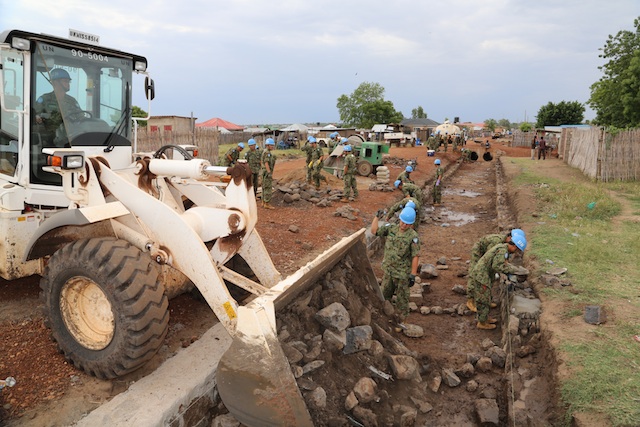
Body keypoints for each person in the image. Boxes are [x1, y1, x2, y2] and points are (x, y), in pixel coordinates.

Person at [469, 234, 528, 330]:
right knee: (483, 299)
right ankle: (482, 322)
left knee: (486, 296)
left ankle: (485, 318)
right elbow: (497, 266)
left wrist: (510, 268)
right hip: (481, 275)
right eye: (516, 250)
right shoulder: (502, 251)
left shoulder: (503, 248)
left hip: (485, 274)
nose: (515, 253)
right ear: (514, 246)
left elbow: (503, 263)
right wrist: (514, 270)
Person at [371, 206, 420, 320]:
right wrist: (376, 217)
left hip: (402, 274)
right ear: (400, 219)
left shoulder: (413, 236)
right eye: (403, 222)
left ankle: (401, 320)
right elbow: (374, 231)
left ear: (411, 224)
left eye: (408, 224)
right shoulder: (391, 228)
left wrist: (413, 274)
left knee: (402, 299)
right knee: (384, 295)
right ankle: (385, 317)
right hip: (388, 270)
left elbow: (415, 256)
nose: (404, 225)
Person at [34, 68, 84, 145]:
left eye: (68, 82)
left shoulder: (72, 101)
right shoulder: (45, 99)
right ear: (55, 82)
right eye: (65, 81)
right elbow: (35, 116)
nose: (68, 84)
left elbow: (81, 117)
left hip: (70, 139)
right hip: (50, 140)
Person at [261, 138, 277, 209]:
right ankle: (267, 203)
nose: (272, 147)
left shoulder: (265, 152)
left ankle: (263, 202)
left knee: (264, 186)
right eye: (271, 145)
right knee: (268, 187)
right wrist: (269, 172)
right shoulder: (267, 153)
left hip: (264, 171)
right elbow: (266, 162)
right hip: (267, 172)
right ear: (267, 145)